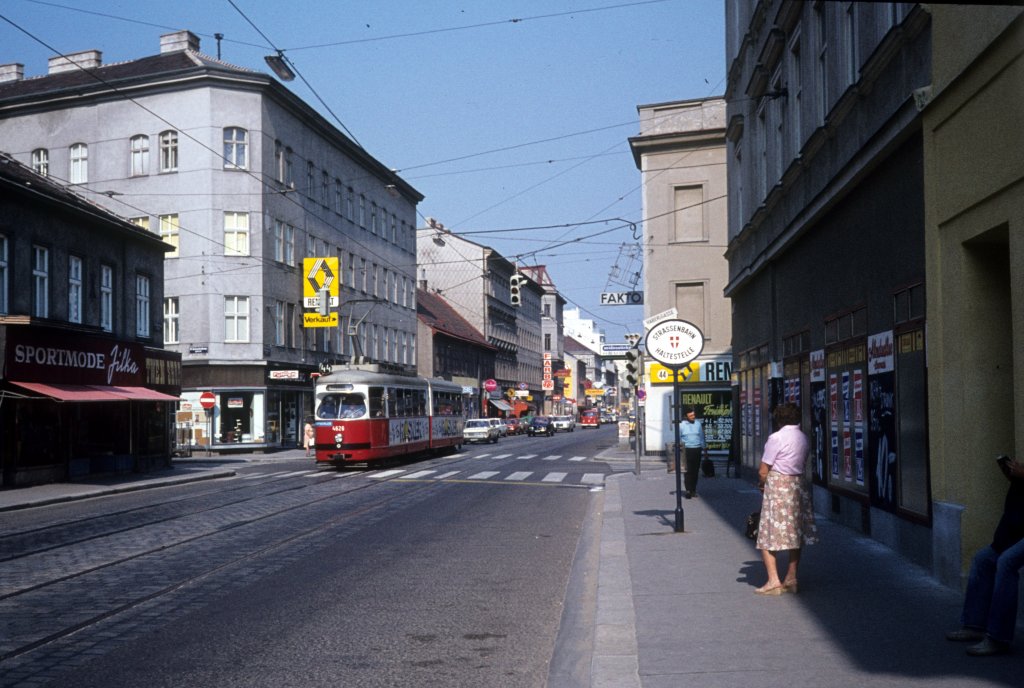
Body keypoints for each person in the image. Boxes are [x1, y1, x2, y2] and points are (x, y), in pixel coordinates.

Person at [945, 455, 1024, 656]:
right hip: (1015, 527)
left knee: (1006, 563)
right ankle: (974, 626)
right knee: (983, 559)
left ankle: (998, 638)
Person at [755, 403, 818, 595]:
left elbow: (763, 470)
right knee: (795, 533)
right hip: (797, 487)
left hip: (778, 487)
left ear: (779, 419)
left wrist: (762, 485)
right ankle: (791, 577)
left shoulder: (776, 438)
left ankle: (773, 580)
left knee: (767, 534)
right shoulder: (803, 438)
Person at [679, 406, 707, 498]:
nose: (693, 416)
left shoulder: (698, 424)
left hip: (697, 449)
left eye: (694, 414)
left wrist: (704, 448)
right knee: (688, 471)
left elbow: (701, 437)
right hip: (686, 450)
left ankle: (693, 490)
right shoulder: (681, 425)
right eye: (690, 415)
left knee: (695, 471)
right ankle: (688, 490)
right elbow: (678, 438)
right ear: (686, 416)